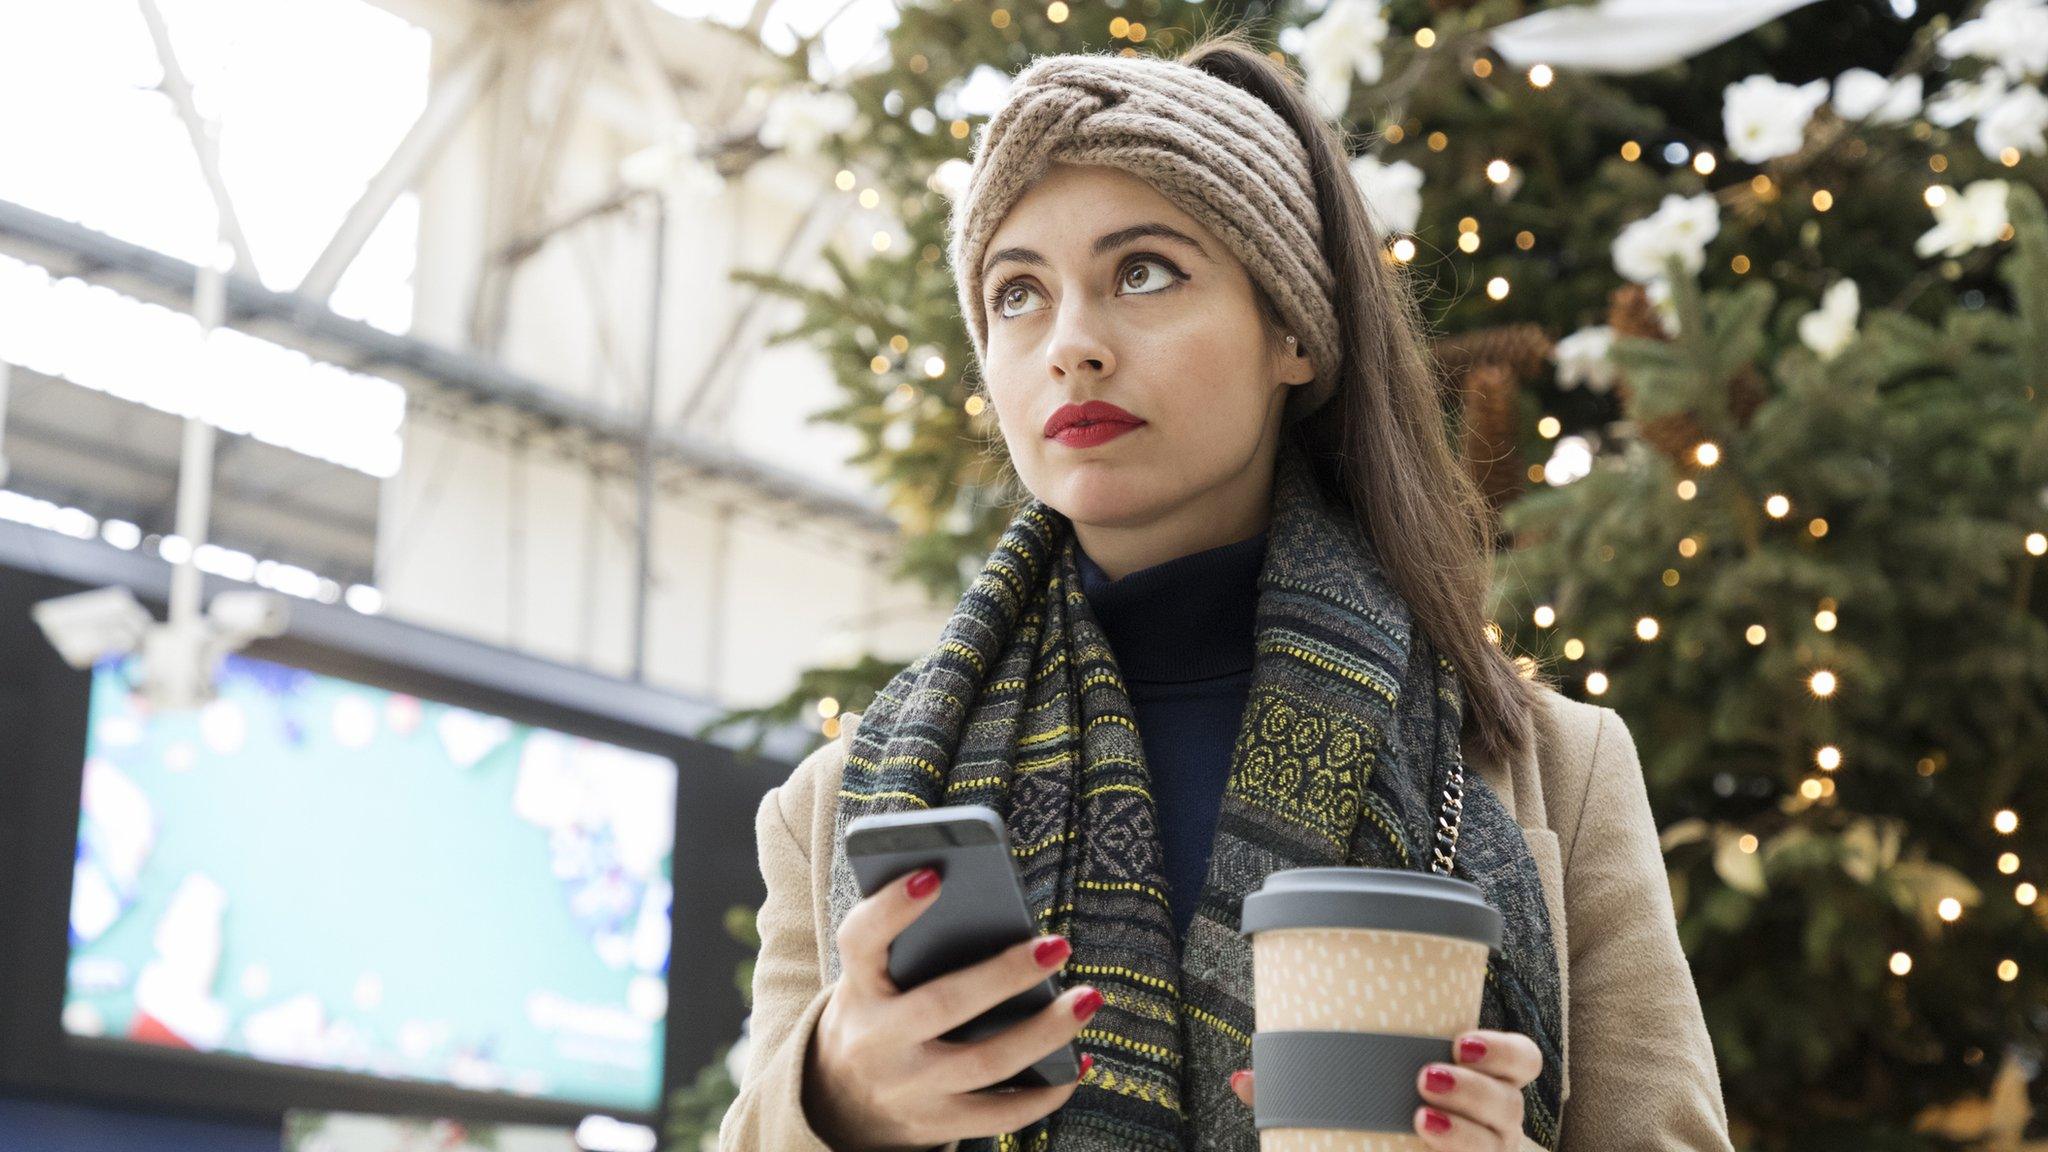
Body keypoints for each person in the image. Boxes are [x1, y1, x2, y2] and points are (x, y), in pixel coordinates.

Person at [719, 27, 1734, 1152]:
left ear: (1291, 330)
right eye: (1016, 292)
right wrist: (834, 1100)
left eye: (1142, 271)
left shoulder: (1557, 768)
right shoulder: (839, 806)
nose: (1070, 345)